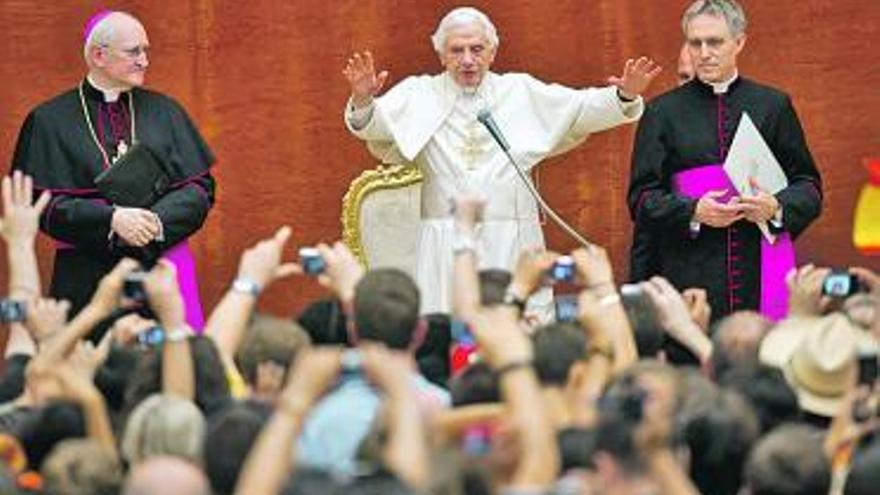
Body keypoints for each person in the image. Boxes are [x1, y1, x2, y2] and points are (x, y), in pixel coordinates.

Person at [343, 7, 660, 316]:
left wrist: (625, 96)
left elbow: (579, 109)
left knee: (520, 327)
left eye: (477, 49)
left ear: (493, 52)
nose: (468, 60)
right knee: (447, 329)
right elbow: (375, 123)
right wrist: (362, 99)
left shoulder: (519, 90)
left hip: (513, 240)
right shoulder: (419, 93)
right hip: (444, 241)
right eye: (456, 50)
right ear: (441, 55)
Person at [11, 10, 215, 329]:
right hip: (85, 277)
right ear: (98, 55)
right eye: (134, 51)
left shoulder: (166, 111)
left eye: (146, 51)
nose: (145, 60)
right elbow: (37, 205)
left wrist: (156, 223)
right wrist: (112, 220)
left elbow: (201, 189)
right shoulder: (48, 121)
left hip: (161, 270)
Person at [627, 0, 822, 321]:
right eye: (695, 43)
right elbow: (641, 198)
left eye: (715, 42)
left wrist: (775, 206)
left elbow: (809, 187)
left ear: (739, 42)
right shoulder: (662, 113)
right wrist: (693, 211)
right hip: (689, 277)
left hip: (759, 270)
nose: (703, 53)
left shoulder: (773, 106)